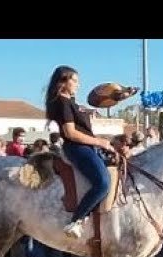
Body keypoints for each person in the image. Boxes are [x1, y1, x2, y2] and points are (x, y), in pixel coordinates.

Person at [44, 65, 114, 238]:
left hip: (87, 147)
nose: (78, 84)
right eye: (74, 80)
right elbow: (70, 133)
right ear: (63, 81)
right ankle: (76, 220)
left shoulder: (71, 102)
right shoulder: (62, 102)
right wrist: (100, 142)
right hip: (77, 148)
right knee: (103, 183)